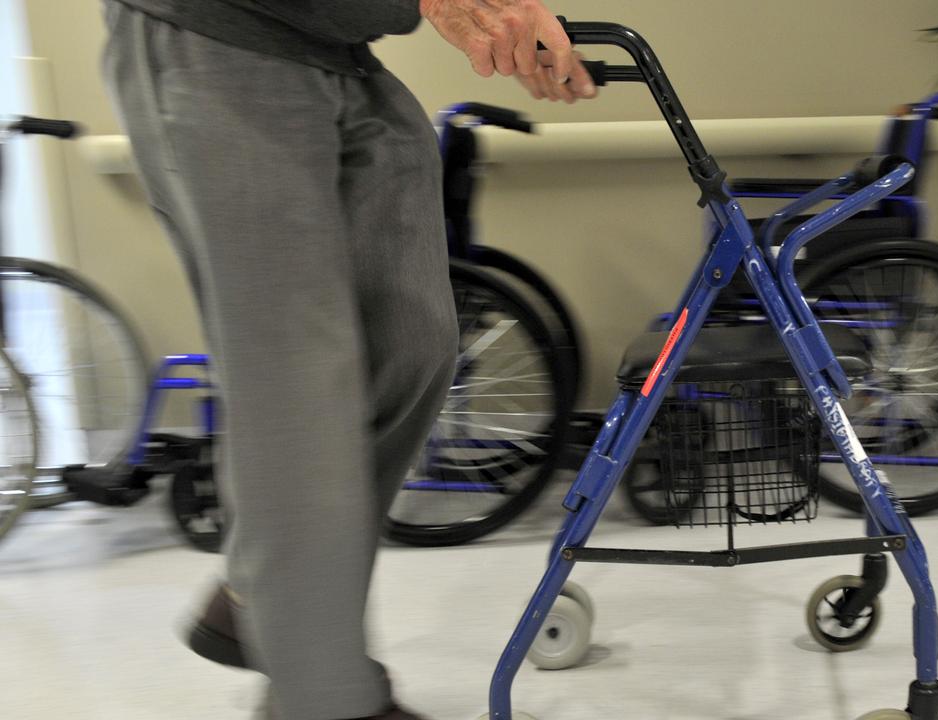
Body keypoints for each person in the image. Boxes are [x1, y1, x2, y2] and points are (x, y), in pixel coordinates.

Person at [99, 1, 597, 718]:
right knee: (300, 384)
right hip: (218, 36)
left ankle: (257, 592)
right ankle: (324, 702)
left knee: (412, 347)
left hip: (339, 47)